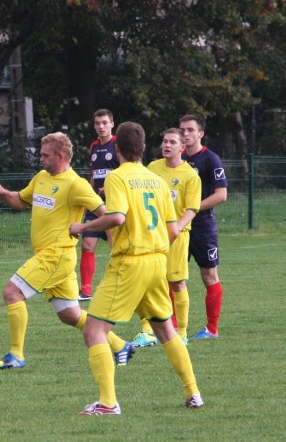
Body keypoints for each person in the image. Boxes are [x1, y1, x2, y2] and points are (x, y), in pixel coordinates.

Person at [69, 122, 203, 415]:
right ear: (143, 149)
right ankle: (193, 392)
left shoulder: (118, 177)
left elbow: (116, 217)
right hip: (158, 262)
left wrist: (83, 226)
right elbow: (172, 229)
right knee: (167, 330)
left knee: (94, 329)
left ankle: (107, 403)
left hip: (130, 263)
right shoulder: (157, 180)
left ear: (117, 149)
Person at [0, 132, 134, 370]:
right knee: (70, 314)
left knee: (12, 292)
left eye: (45, 155)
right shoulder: (41, 177)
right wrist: (4, 193)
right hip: (51, 257)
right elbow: (21, 202)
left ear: (60, 156)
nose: (40, 159)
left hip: (56, 255)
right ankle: (120, 345)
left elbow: (108, 214)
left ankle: (16, 355)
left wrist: (110, 245)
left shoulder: (76, 184)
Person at [131, 128, 202, 347]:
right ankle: (147, 330)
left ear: (182, 147)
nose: (166, 145)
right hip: (151, 235)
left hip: (177, 237)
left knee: (177, 283)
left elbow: (192, 208)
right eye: (164, 141)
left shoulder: (190, 175)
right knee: (145, 280)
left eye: (172, 142)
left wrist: (177, 228)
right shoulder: (152, 168)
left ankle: (181, 332)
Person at [179, 115, 228, 339]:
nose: (185, 134)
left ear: (200, 134)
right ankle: (173, 328)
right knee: (173, 276)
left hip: (202, 226)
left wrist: (192, 208)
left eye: (190, 130)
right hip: (177, 226)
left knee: (208, 274)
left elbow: (221, 195)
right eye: (182, 130)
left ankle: (212, 328)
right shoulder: (175, 159)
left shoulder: (210, 159)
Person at [78, 109, 120, 301]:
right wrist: (89, 194)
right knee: (87, 244)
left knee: (115, 246)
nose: (101, 127)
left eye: (104, 123)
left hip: (114, 204)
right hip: (96, 204)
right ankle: (86, 291)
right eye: (97, 123)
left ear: (112, 124)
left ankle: (117, 286)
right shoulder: (94, 146)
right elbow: (94, 174)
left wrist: (111, 189)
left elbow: (126, 172)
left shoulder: (119, 145)